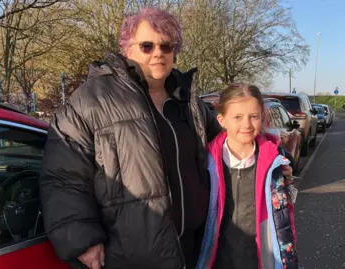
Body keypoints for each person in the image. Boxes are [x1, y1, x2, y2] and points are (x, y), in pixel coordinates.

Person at [39, 7, 221, 269]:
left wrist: (272, 160)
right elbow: (63, 176)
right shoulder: (92, 100)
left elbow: (229, 146)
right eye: (147, 46)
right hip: (132, 256)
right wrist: (82, 238)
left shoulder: (188, 101)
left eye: (166, 46)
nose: (158, 53)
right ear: (128, 50)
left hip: (194, 249)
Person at [195, 84, 299, 269]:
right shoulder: (205, 162)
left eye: (254, 117)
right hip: (217, 261)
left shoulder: (274, 163)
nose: (247, 125)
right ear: (222, 120)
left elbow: (284, 218)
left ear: (262, 117)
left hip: (261, 260)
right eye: (237, 117)